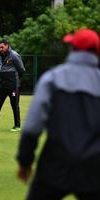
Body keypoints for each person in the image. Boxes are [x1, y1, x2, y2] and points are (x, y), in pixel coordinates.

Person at [16, 29, 100, 200]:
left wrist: (25, 162)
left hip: (55, 164)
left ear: (72, 49)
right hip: (94, 167)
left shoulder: (52, 78)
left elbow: (33, 126)